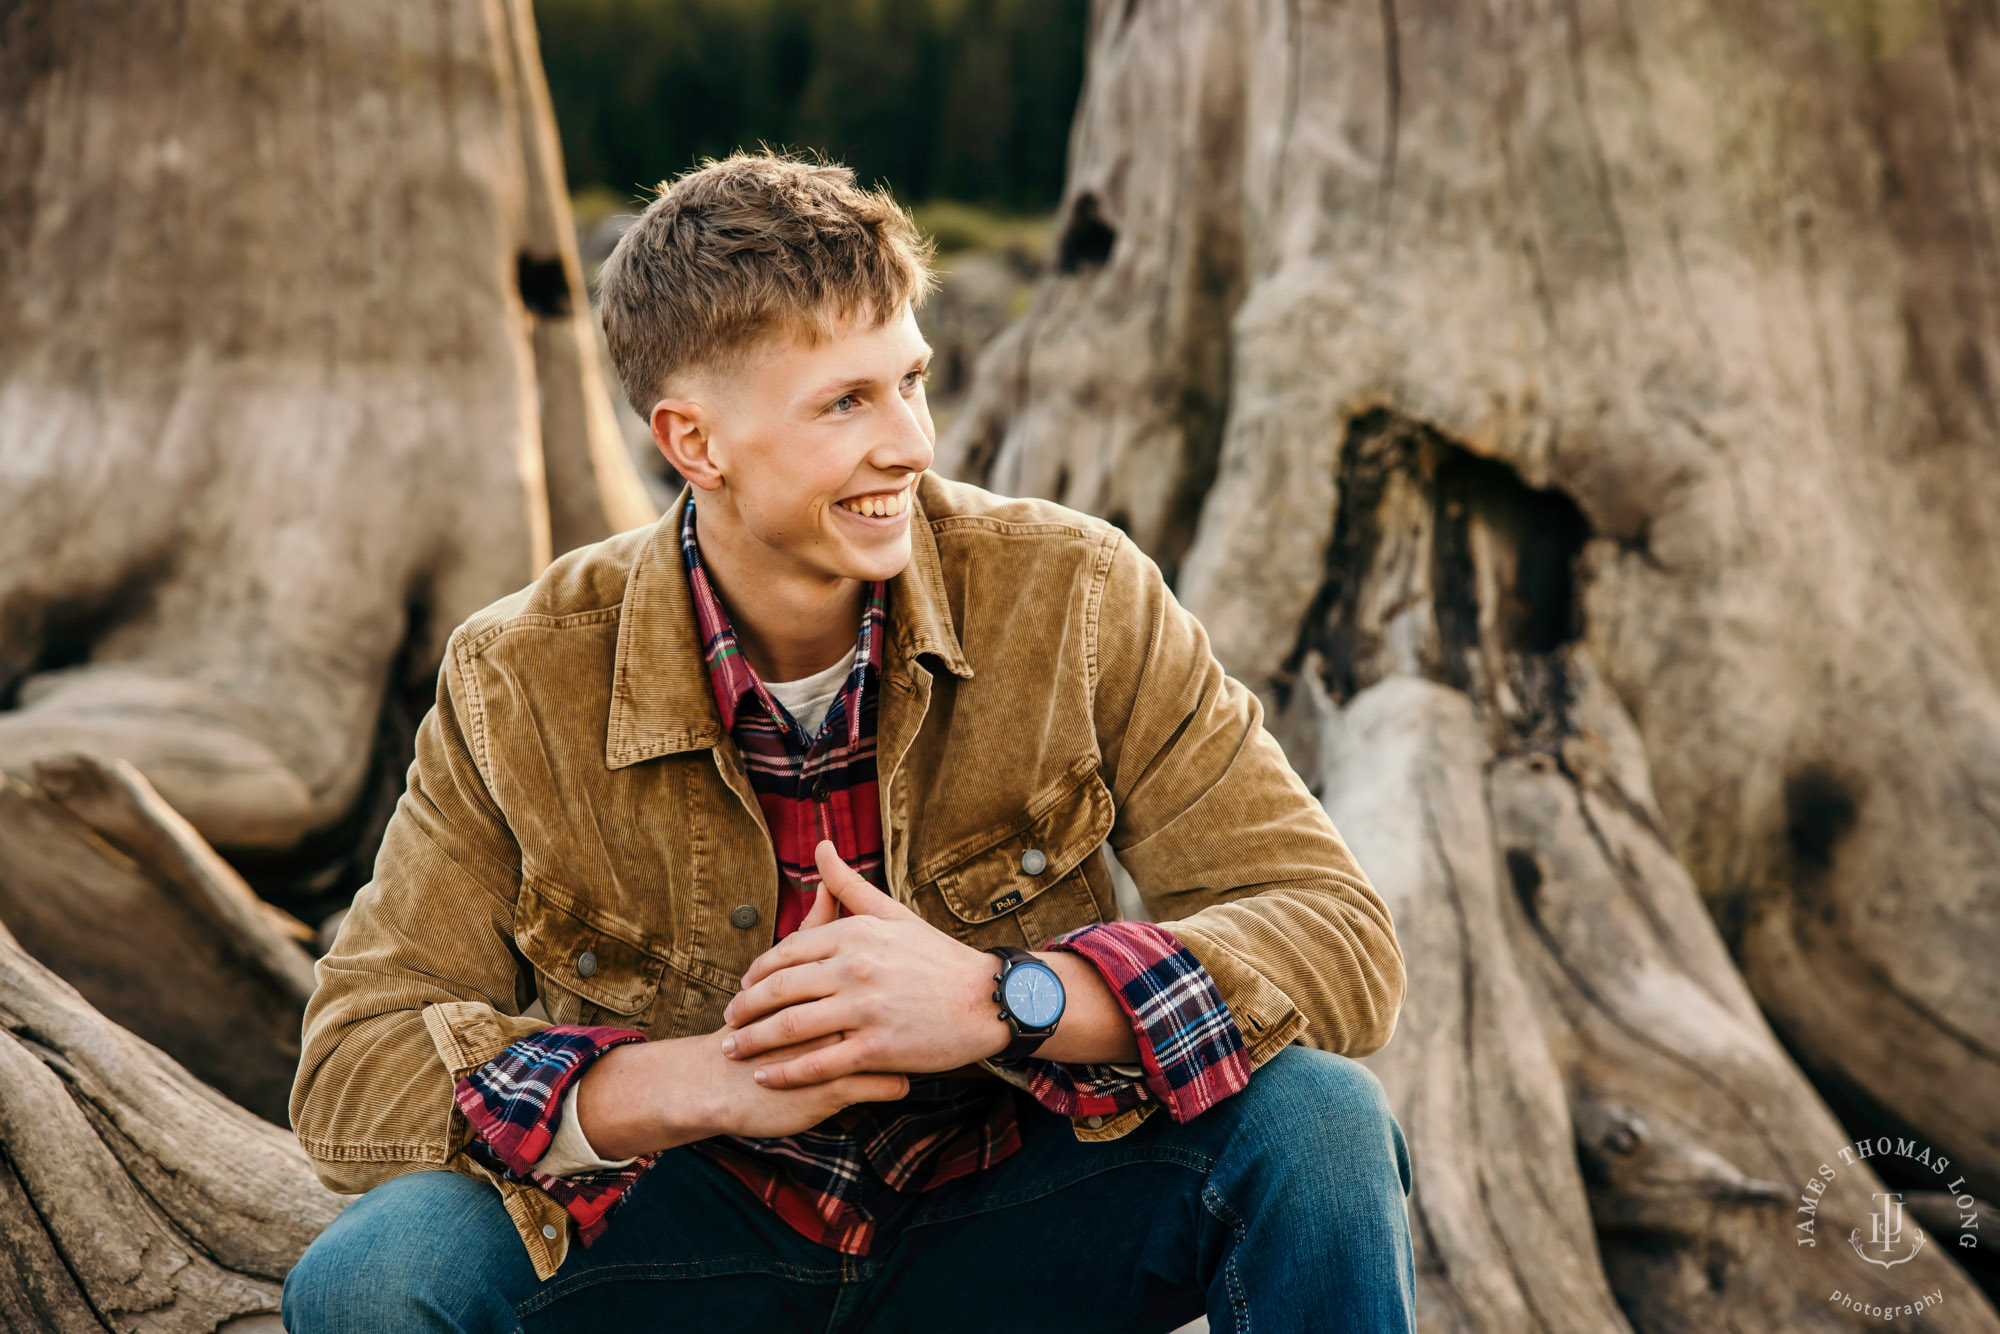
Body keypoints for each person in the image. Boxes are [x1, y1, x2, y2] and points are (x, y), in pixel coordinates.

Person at [282, 149, 1416, 1334]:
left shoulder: (1073, 594)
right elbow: (352, 1070)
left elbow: (1335, 936)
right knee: (373, 1273)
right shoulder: (517, 677)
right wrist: (689, 1083)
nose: (912, 442)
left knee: (1319, 1124)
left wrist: (1009, 997)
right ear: (695, 441)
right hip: (687, 1244)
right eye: (845, 402)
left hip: (1014, 1223)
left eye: (911, 381)